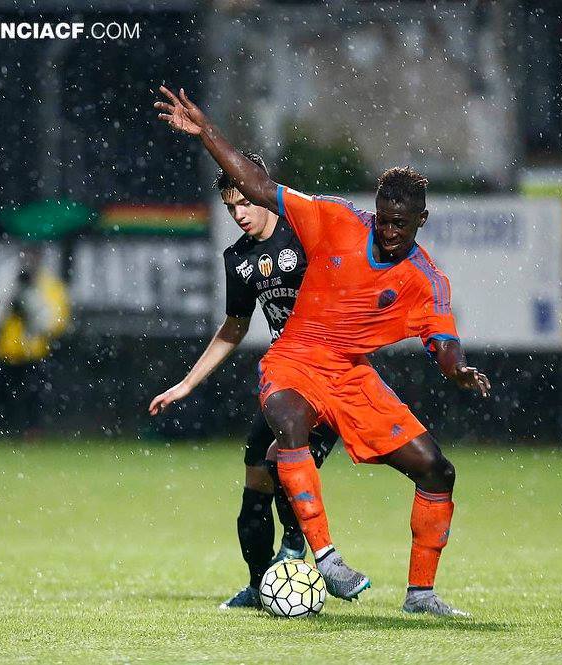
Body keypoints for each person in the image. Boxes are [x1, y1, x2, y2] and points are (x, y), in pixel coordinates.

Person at [155, 86, 491, 617]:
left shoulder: (426, 280)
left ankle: (421, 595)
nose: (388, 230)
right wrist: (208, 134)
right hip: (291, 360)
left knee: (436, 470)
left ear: (422, 221)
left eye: (400, 223)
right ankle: (324, 560)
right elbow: (259, 185)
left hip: (351, 378)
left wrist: (459, 371)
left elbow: (443, 344)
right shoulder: (334, 221)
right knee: (282, 437)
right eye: (383, 217)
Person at [148, 153, 340, 610]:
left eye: (244, 203)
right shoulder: (239, 259)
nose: (239, 215)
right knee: (255, 478)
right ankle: (260, 586)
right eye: (230, 208)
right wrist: (186, 384)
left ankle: (295, 552)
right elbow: (234, 327)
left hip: (333, 378)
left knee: (281, 460)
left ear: (263, 190)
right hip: (288, 382)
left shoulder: (306, 231)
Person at [0, 244, 70, 436]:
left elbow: (55, 324)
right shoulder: (6, 282)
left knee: (36, 395)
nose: (28, 262)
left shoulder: (50, 287)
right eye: (25, 256)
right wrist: (9, 297)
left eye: (33, 257)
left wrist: (30, 303)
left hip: (34, 356)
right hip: (4, 354)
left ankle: (32, 434)